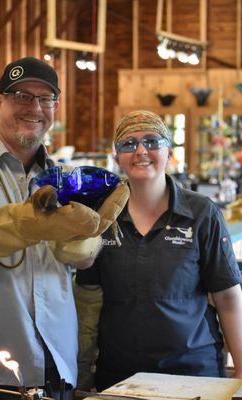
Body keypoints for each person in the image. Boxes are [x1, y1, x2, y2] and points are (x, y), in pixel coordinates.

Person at [0, 56, 128, 400]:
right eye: (21, 96)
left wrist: (87, 241)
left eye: (44, 99)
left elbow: (81, 261)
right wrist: (35, 223)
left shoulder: (66, 178)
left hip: (54, 365)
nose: (34, 107)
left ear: (55, 107)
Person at [75, 110, 242, 391]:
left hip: (192, 374)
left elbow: (227, 297)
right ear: (117, 157)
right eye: (129, 144)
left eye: (152, 141)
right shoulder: (100, 216)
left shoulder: (202, 213)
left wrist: (240, 368)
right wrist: (81, 371)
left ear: (168, 151)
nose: (141, 151)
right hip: (120, 377)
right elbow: (88, 303)